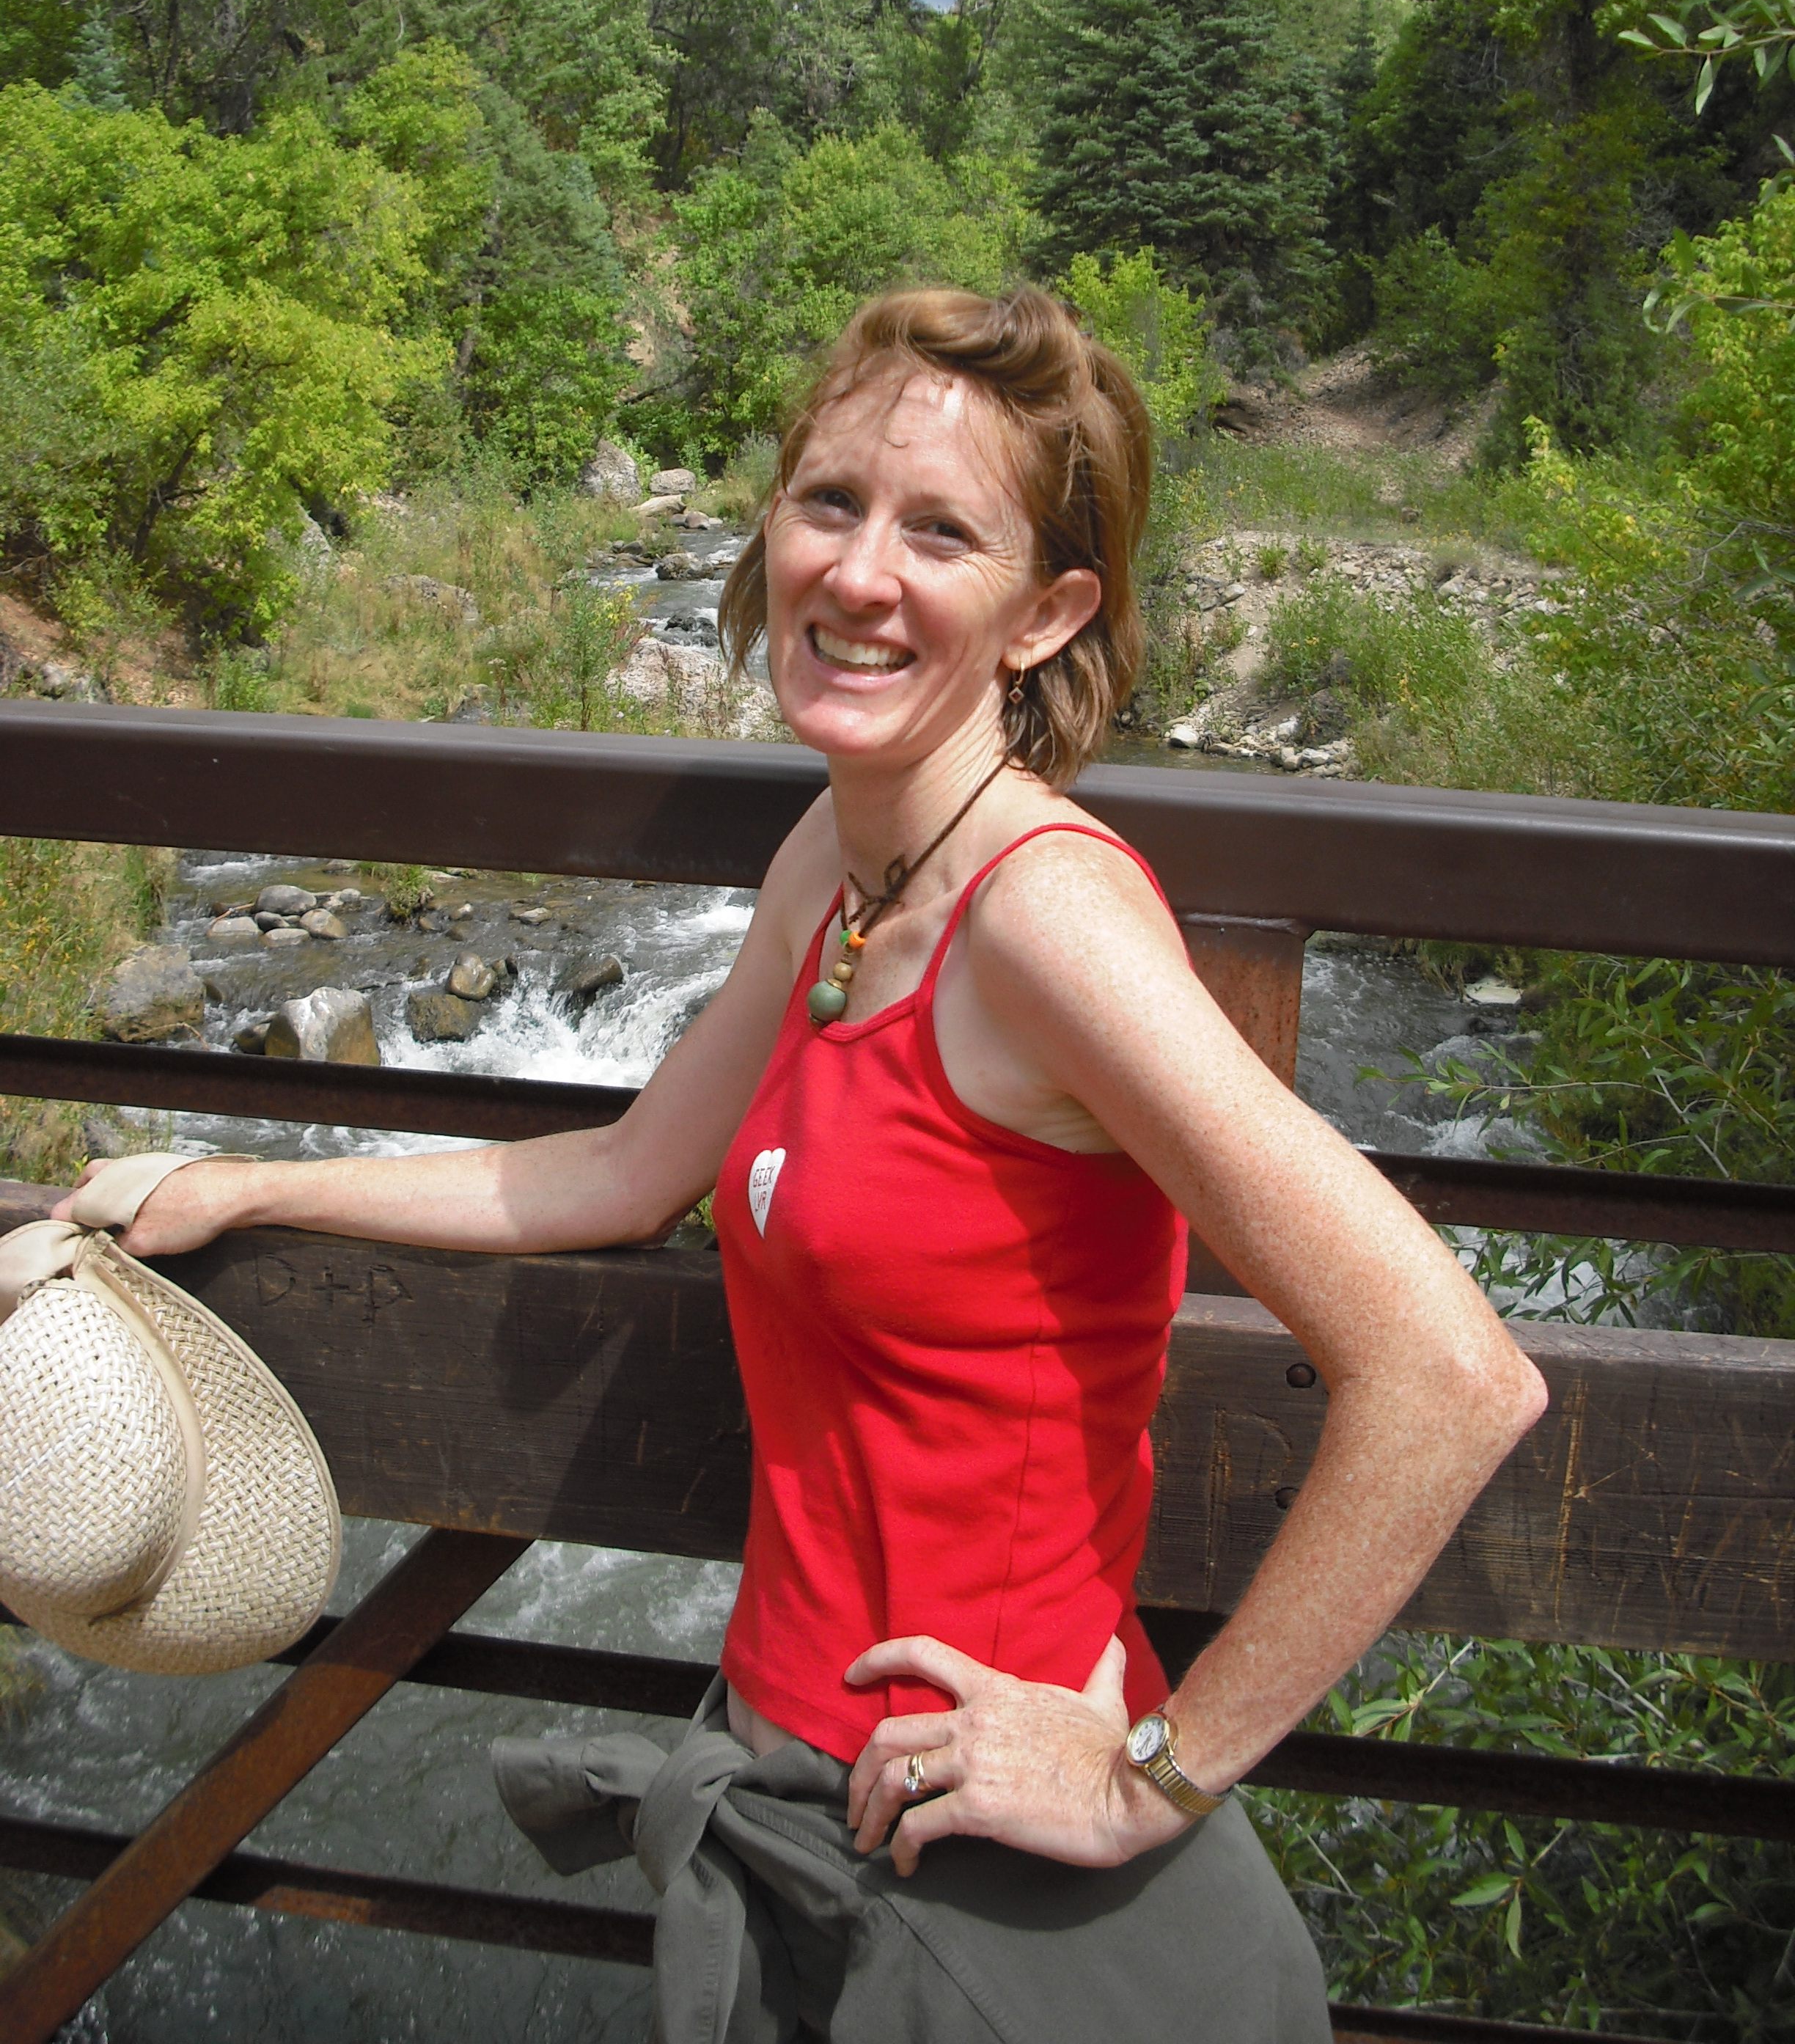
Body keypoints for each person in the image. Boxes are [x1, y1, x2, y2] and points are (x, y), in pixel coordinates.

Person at [85, 287, 1547, 2041]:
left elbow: (1453, 1377)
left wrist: (1147, 1776)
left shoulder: (1048, 923)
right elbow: (627, 1173)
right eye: (831, 501)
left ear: (1047, 614)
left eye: (942, 533)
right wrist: (257, 1186)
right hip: (799, 1788)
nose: (859, 575)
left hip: (990, 1871)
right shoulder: (839, 866)